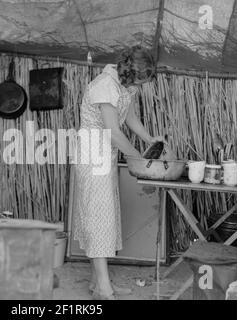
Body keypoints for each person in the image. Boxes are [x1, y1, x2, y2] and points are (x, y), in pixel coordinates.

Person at [73, 46, 165, 300]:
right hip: (92, 154)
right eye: (141, 80)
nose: (142, 85)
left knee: (104, 214)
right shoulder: (105, 85)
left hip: (106, 154)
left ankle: (96, 285)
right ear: (129, 73)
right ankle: (104, 289)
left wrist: (150, 139)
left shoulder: (123, 86)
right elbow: (113, 131)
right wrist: (136, 157)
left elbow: (129, 118)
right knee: (97, 215)